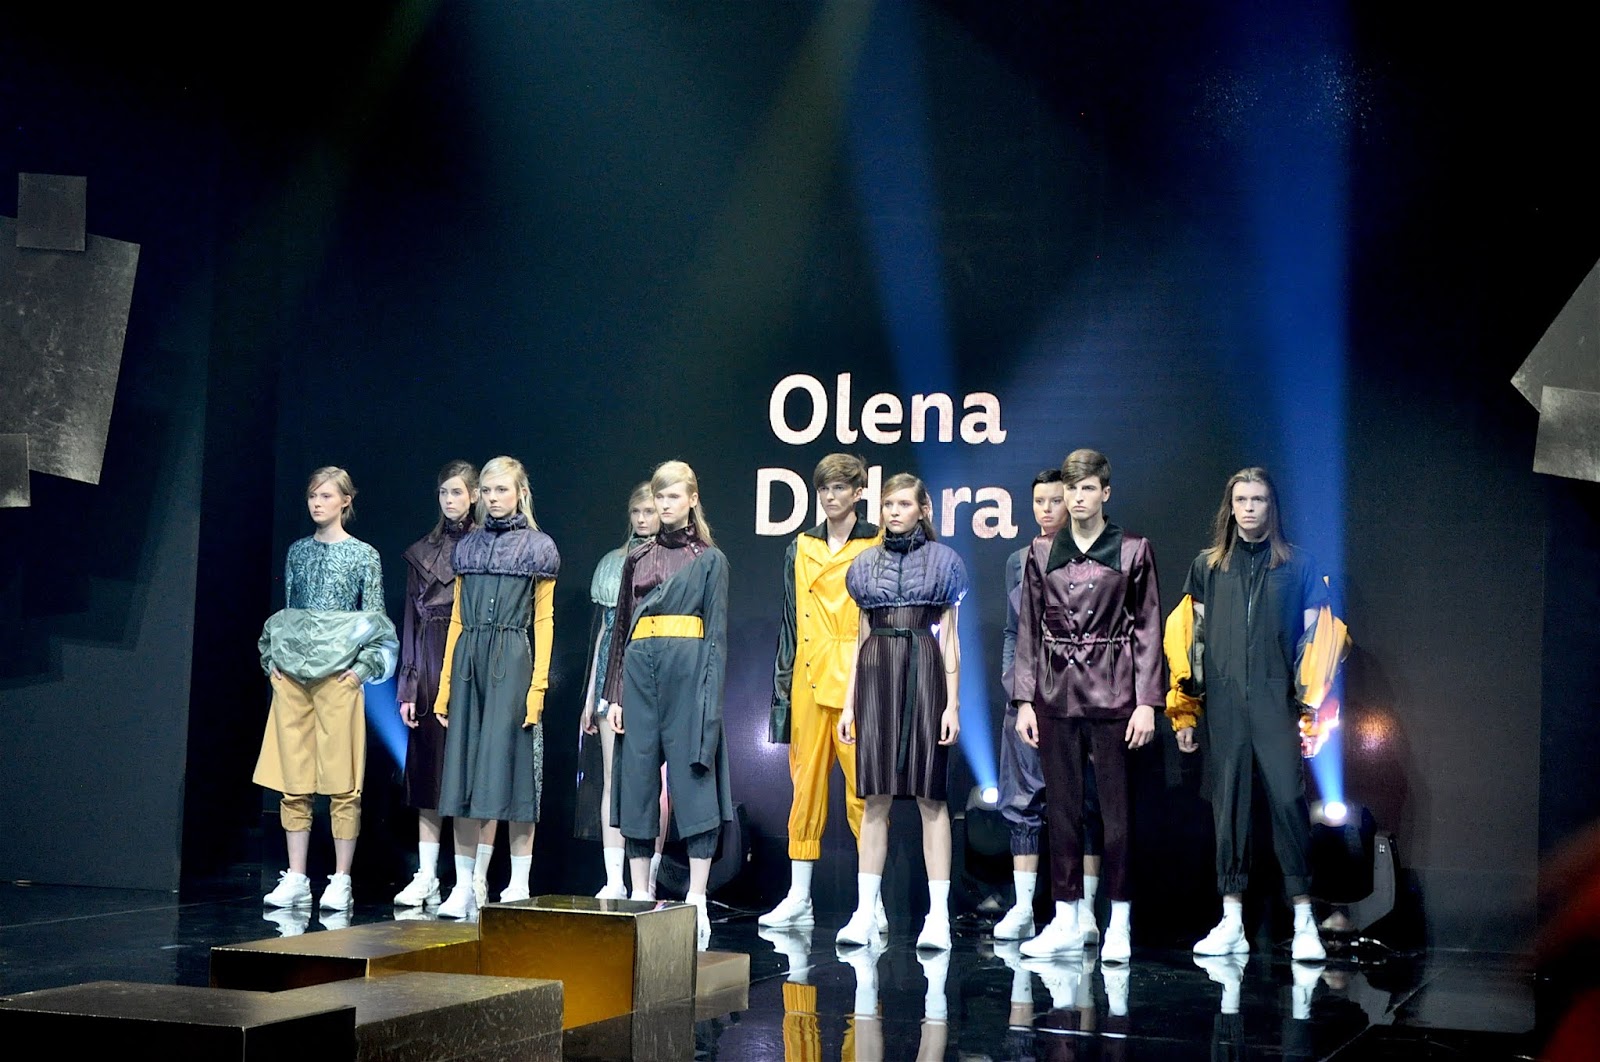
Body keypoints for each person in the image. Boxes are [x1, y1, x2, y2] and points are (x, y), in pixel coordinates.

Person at [1166, 466, 1331, 961]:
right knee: (1229, 804)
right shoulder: (1208, 566)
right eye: (1241, 499)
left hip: (1276, 701)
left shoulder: (1299, 566)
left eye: (1258, 499)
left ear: (1271, 506)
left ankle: (1304, 919)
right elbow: (1190, 642)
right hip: (1225, 704)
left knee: (1288, 801)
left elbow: (1317, 643)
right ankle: (1231, 919)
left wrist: (1312, 712)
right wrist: (1186, 712)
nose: (1249, 508)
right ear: (1230, 507)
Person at [1012, 449, 1163, 963]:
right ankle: (1066, 918)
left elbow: (1148, 628)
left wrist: (1147, 702)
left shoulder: (1133, 549)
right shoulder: (1041, 552)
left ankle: (1118, 919)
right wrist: (1024, 700)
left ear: (1105, 492)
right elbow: (1029, 629)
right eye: (1071, 489)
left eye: (1087, 488)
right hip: (1055, 692)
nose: (1077, 498)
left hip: (1114, 692)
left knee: (1116, 813)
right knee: (1062, 810)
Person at [835, 473, 968, 952]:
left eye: (904, 504)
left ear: (923, 509)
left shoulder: (945, 563)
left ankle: (938, 917)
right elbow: (859, 639)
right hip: (876, 675)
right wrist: (848, 704)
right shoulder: (864, 565)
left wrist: (953, 703)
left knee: (932, 798)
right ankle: (864, 913)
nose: (894, 511)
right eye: (888, 504)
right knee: (875, 798)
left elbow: (950, 640)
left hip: (924, 672)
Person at [605, 460, 733, 951]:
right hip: (639, 672)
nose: (664, 505)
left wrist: (709, 698)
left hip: (688, 671)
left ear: (692, 499)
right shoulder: (637, 557)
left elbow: (716, 636)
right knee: (638, 778)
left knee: (694, 776)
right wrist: (614, 693)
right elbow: (621, 629)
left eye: (673, 496)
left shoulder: (711, 560)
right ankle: (640, 894)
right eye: (659, 497)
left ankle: (697, 898)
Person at [257, 467, 396, 909]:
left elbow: (375, 620)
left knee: (342, 782)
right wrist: (274, 662)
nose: (317, 503)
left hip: (338, 678)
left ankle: (341, 879)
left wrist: (360, 671)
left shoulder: (363, 555)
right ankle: (297, 876)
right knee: (293, 780)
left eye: (326, 496)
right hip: (294, 678)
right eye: (313, 496)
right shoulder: (298, 552)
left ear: (346, 501)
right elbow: (290, 614)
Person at [432, 456, 560, 918]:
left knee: (516, 773)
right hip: (470, 660)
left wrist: (537, 688)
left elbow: (543, 621)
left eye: (501, 489)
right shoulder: (468, 546)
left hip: (511, 660)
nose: (493, 498)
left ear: (521, 492)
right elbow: (457, 621)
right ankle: (466, 885)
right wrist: (445, 687)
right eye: (486, 491)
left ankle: (518, 884)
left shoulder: (539, 547)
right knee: (465, 776)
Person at [760, 453, 884, 930]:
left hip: (859, 675)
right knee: (805, 786)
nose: (831, 497)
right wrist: (782, 689)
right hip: (808, 675)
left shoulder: (876, 542)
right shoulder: (800, 546)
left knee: (863, 793)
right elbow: (791, 622)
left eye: (840, 488)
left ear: (858, 493)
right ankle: (799, 897)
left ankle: (871, 903)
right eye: (824, 489)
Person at [994, 468, 1105, 944]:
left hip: (1082, 697)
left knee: (1085, 802)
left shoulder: (1096, 558)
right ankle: (1023, 908)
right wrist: (1018, 695)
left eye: (1054, 500)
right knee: (1023, 800)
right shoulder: (1017, 560)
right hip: (1028, 697)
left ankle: (1086, 914)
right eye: (1039, 501)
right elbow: (1011, 632)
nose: (1046, 509)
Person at [392, 461, 501, 909]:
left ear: (474, 495)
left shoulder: (488, 546)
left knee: (468, 777)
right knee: (428, 775)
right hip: (429, 661)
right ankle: (427, 875)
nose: (450, 500)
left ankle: (471, 880)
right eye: (443, 493)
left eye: (457, 492)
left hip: (471, 656)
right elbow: (410, 620)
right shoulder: (424, 551)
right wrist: (408, 685)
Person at [575, 482, 670, 899]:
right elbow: (604, 633)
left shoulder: (674, 560)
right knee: (613, 779)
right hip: (610, 676)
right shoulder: (613, 563)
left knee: (653, 781)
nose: (643, 519)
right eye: (637, 512)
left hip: (653, 670)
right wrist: (590, 696)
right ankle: (614, 878)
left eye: (650, 511)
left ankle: (647, 878)